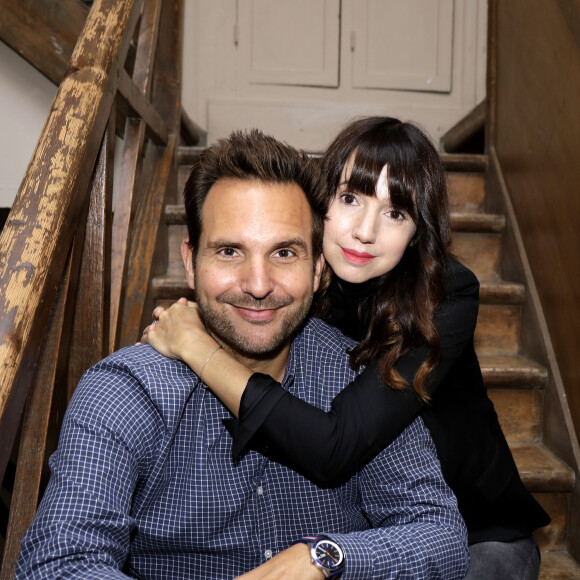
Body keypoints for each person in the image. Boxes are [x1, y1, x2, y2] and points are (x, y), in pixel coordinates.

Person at [17, 129, 469, 579]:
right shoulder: (127, 391)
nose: (257, 285)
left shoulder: (356, 373)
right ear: (191, 263)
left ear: (317, 270)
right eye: (230, 251)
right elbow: (59, 564)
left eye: (284, 253)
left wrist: (324, 557)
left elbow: (441, 537)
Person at [142, 117, 551, 580]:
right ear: (321, 204)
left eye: (395, 213)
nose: (364, 231)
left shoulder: (446, 294)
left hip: (476, 527)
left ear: (417, 233)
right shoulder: (301, 286)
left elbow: (334, 445)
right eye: (350, 198)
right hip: (371, 522)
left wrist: (199, 349)